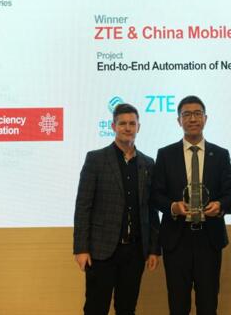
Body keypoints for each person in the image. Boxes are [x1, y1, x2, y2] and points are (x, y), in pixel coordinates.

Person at [73, 103, 160, 315]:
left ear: (138, 127)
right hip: (101, 251)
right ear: (113, 126)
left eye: (132, 123)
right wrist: (81, 248)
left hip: (135, 252)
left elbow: (151, 210)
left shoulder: (148, 164)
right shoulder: (96, 159)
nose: (127, 128)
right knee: (95, 308)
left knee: (127, 308)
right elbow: (83, 206)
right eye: (122, 123)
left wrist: (153, 249)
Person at [151, 95, 231, 315]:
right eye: (186, 114)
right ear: (179, 120)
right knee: (178, 305)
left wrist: (219, 205)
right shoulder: (165, 154)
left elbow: (229, 195)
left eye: (197, 114)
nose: (193, 119)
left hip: (209, 239)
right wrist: (173, 207)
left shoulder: (221, 154)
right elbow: (156, 195)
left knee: (208, 304)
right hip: (176, 240)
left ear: (205, 118)